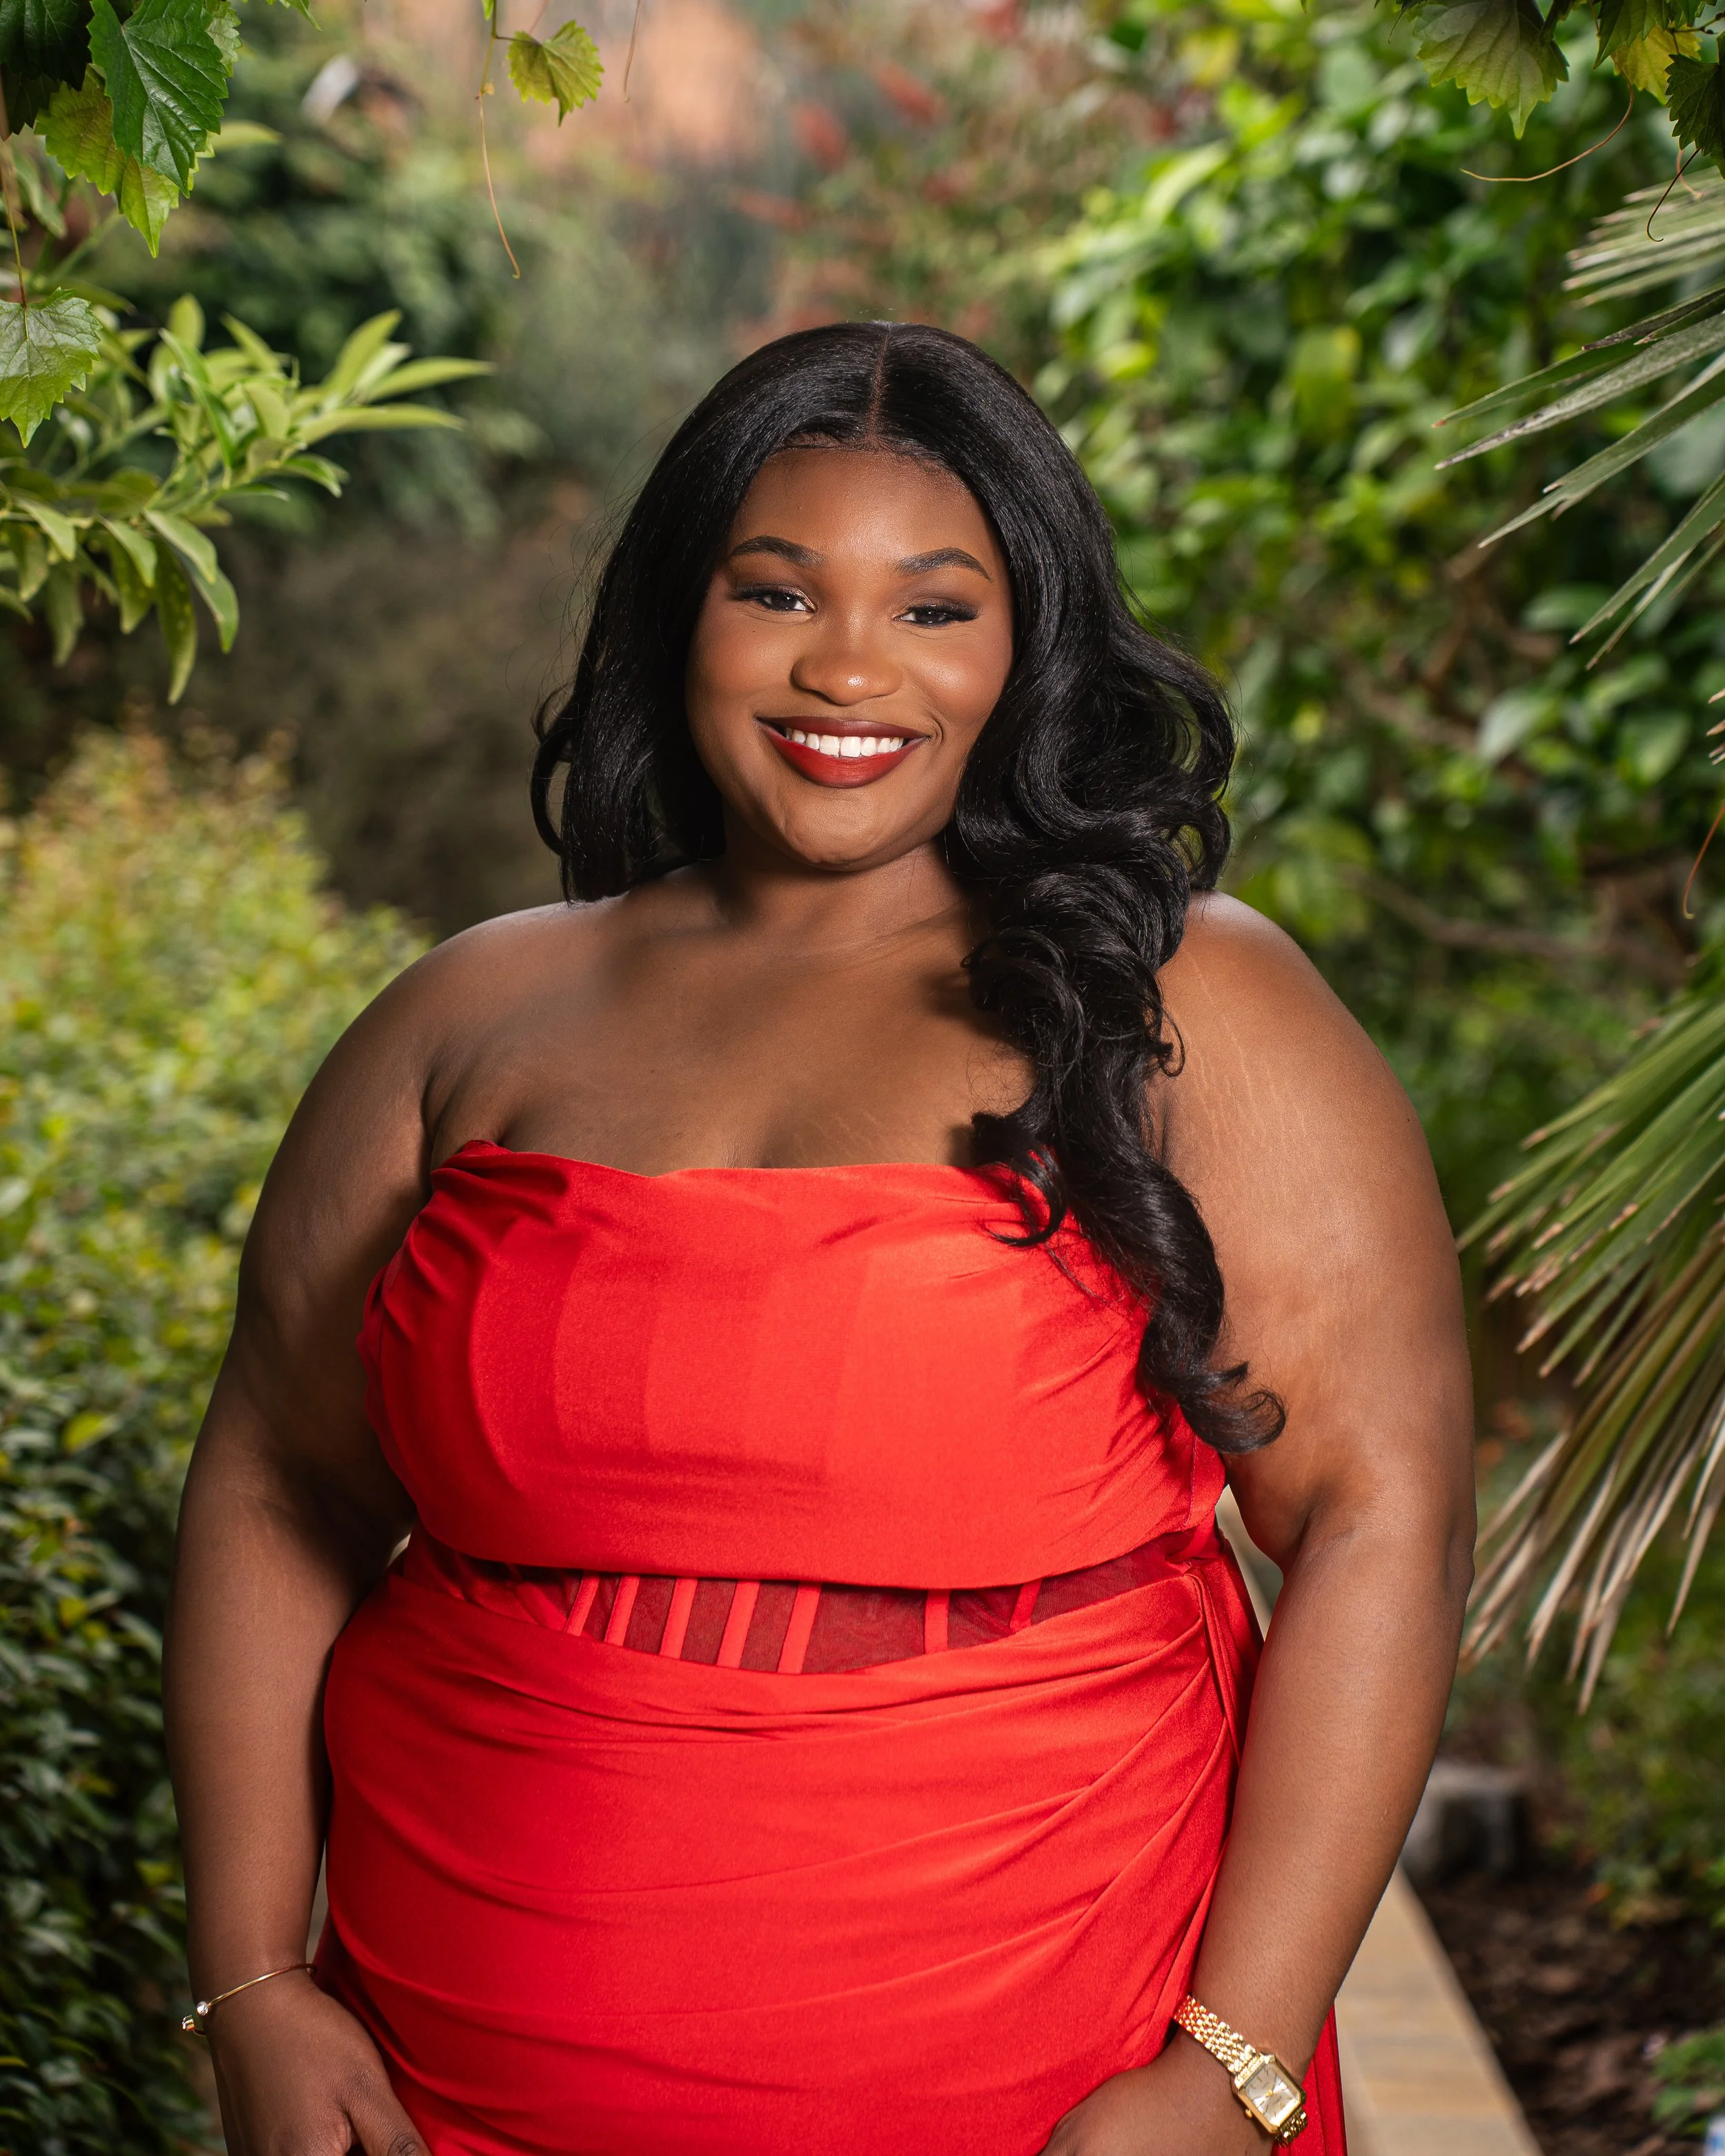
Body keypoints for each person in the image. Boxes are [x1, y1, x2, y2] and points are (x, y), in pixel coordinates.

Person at [164, 320, 1474, 2156]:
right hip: (439, 2086)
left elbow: (1376, 1518)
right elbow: (275, 1480)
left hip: (1042, 2089)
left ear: (1025, 646)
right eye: (775, 591)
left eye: (934, 607)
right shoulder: (466, 1016)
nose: (847, 664)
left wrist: (1230, 2070)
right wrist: (253, 1982)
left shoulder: (1191, 1004)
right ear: (674, 615)